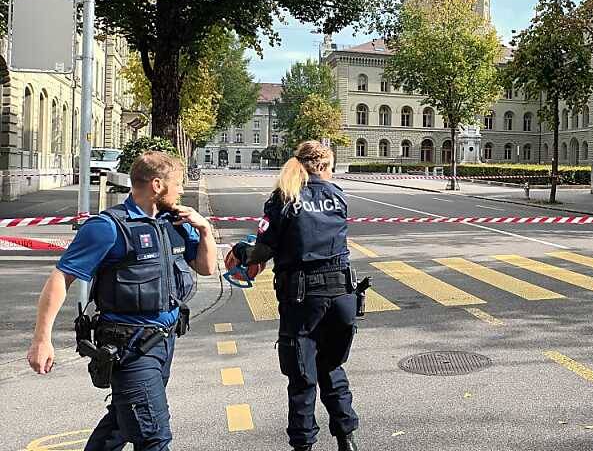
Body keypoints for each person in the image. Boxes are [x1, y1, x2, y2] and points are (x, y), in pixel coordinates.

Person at [26, 151, 217, 450]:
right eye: (177, 184)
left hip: (164, 343)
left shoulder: (177, 222)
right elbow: (61, 278)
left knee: (120, 425)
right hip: (129, 349)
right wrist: (42, 339)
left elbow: (206, 268)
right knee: (152, 435)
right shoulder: (108, 227)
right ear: (157, 185)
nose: (181, 190)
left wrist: (204, 230)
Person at [224, 140, 359, 451]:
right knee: (332, 367)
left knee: (302, 376)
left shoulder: (283, 197)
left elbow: (264, 247)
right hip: (341, 295)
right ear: (325, 166)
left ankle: (303, 444)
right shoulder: (338, 195)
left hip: (302, 299)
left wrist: (243, 252)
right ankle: (347, 438)